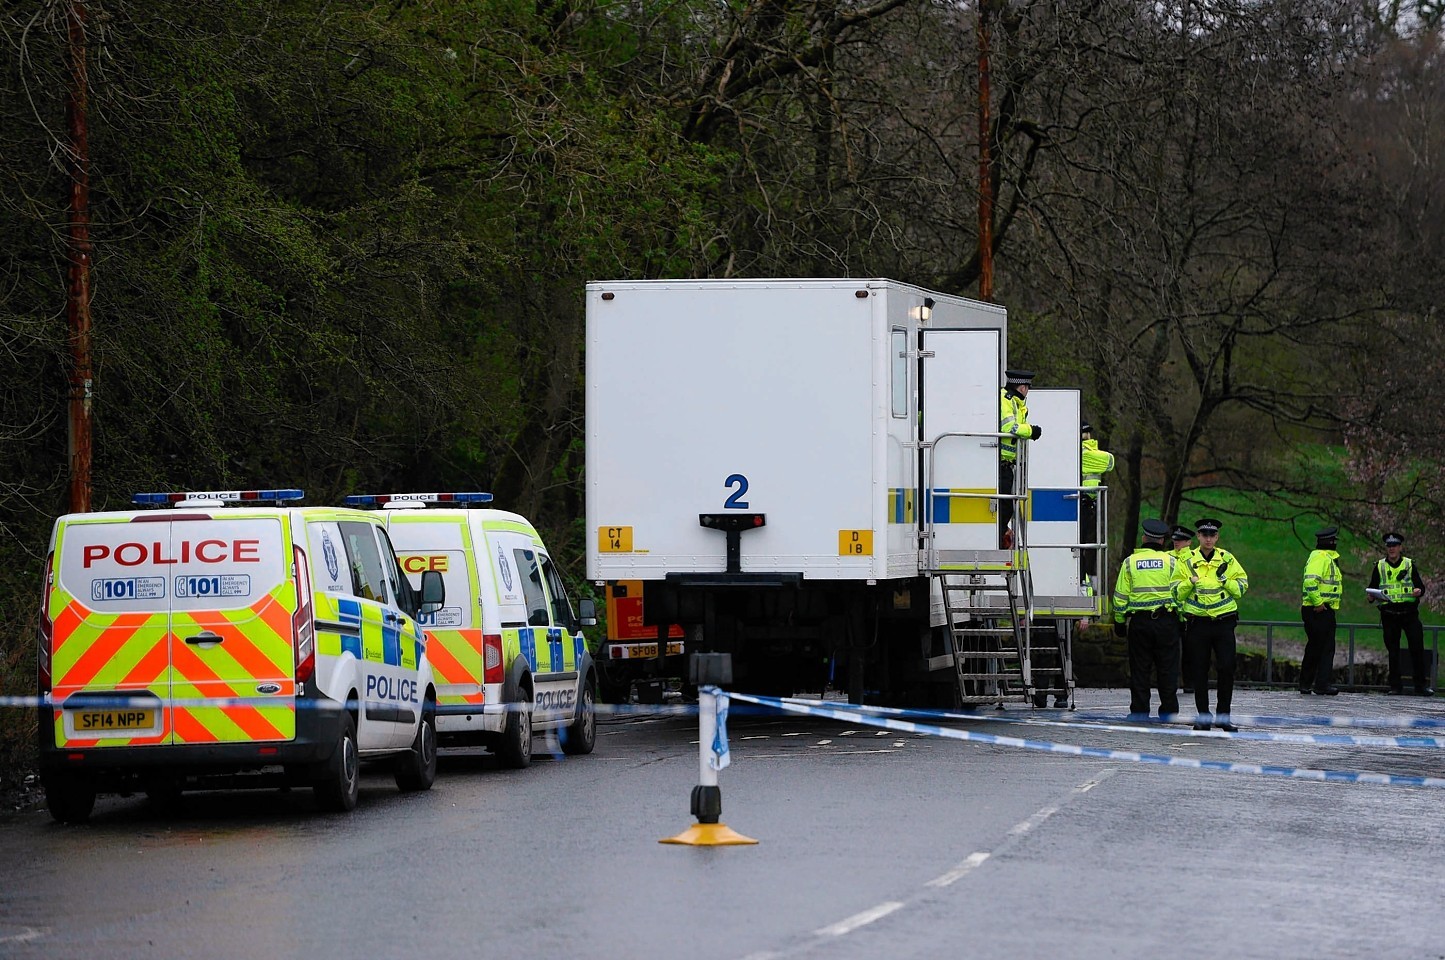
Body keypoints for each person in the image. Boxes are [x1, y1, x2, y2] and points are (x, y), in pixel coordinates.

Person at [1112, 518, 1190, 720]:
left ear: (1144, 538)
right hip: (1167, 622)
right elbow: (1179, 594)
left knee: (1139, 669)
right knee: (1168, 669)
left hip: (1140, 623)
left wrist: (1119, 622)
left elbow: (1120, 596)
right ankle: (1169, 711)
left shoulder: (1130, 563)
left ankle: (1139, 711)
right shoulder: (1172, 562)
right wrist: (1182, 620)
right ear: (1162, 541)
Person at [1178, 518, 1249, 730]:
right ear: (1198, 536)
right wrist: (1189, 583)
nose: (1208, 538)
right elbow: (1175, 591)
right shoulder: (1187, 560)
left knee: (1227, 668)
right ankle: (1204, 717)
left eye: (1212, 535)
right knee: (1199, 670)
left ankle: (1223, 717)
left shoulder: (1227, 559)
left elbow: (1242, 586)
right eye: (1204, 534)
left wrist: (1225, 580)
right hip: (1197, 623)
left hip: (1223, 622)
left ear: (1217, 537)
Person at [1367, 532, 1432, 696]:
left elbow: (1421, 587)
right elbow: (1372, 588)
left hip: (1409, 614)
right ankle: (1395, 686)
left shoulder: (1409, 565)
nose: (1392, 549)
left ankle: (1421, 686)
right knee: (1393, 651)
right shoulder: (1380, 566)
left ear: (1400, 547)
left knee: (1417, 648)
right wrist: (1371, 596)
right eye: (1389, 546)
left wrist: (1419, 591)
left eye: (1394, 546)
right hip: (1389, 614)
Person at [1299, 526, 1343, 695]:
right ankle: (1318, 684)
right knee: (1321, 648)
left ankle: (1312, 683)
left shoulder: (1323, 557)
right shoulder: (1321, 558)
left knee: (1319, 647)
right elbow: (1310, 582)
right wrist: (1318, 603)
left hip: (1321, 609)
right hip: (1319, 610)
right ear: (1330, 542)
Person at [999, 370, 1039, 547]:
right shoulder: (1006, 400)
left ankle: (1002, 536)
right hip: (1000, 464)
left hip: (1008, 464)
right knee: (1005, 506)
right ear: (1022, 387)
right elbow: (1008, 426)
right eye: (1027, 388)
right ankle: (1000, 538)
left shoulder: (1017, 403)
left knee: (1008, 506)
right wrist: (1031, 431)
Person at [1079, 422, 1114, 586]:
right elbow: (1107, 460)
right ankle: (1085, 579)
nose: (1087, 436)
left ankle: (1087, 579)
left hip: (1087, 504)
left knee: (1085, 545)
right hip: (1084, 503)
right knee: (1082, 545)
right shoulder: (1085, 454)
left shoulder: (1079, 454)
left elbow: (1110, 462)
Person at [1170, 525, 1195, 693]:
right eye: (1175, 539)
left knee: (1191, 652)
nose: (1176, 542)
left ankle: (1190, 684)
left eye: (1180, 540)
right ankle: (1171, 683)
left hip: (1188, 612)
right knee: (1170, 652)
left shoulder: (1194, 559)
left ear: (1189, 542)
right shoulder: (1166, 558)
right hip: (1170, 611)